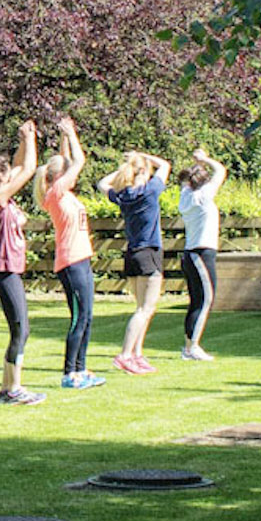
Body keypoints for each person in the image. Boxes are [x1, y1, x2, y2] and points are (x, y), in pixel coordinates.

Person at [0, 118, 47, 405]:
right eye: (8, 172)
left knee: (19, 329)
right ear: (0, 177)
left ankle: (6, 390)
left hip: (6, 270)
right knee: (22, 328)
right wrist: (30, 139)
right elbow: (28, 169)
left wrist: (22, 139)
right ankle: (14, 389)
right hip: (3, 270)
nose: (13, 173)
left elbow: (20, 166)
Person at [36, 116, 103, 389]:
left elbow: (66, 160)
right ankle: (68, 373)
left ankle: (82, 369)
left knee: (88, 315)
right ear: (57, 177)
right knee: (78, 317)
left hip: (81, 260)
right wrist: (72, 133)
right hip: (70, 262)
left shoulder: (64, 193)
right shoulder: (55, 193)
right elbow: (78, 162)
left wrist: (64, 137)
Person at [101, 148, 172, 374]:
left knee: (142, 308)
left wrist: (126, 168)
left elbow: (103, 183)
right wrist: (142, 157)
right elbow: (165, 166)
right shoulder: (150, 191)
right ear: (143, 172)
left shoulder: (123, 196)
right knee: (145, 309)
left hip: (132, 254)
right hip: (149, 252)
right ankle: (124, 355)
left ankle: (136, 354)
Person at [176, 149, 227, 361]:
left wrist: (197, 165)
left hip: (191, 253)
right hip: (201, 253)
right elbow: (220, 170)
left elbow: (188, 181)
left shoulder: (185, 195)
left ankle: (190, 346)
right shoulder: (203, 196)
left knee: (197, 301)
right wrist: (204, 159)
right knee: (205, 300)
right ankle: (192, 347)